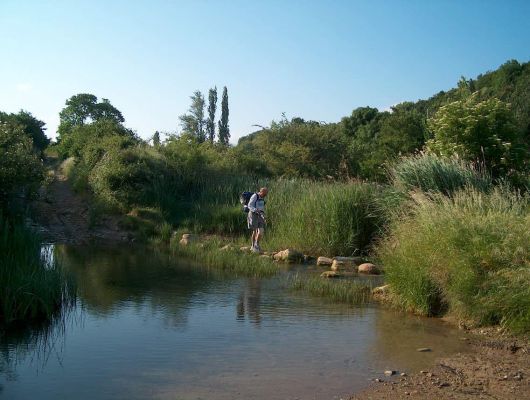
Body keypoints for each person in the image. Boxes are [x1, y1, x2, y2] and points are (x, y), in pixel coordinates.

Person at [247, 187, 268, 253]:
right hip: (253, 214)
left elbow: (261, 206)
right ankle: (253, 246)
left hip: (260, 214)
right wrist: (256, 210)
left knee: (261, 230)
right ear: (261, 192)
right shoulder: (254, 196)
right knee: (254, 230)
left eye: (266, 194)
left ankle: (257, 245)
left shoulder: (262, 197)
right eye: (264, 194)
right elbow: (249, 205)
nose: (265, 195)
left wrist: (263, 214)